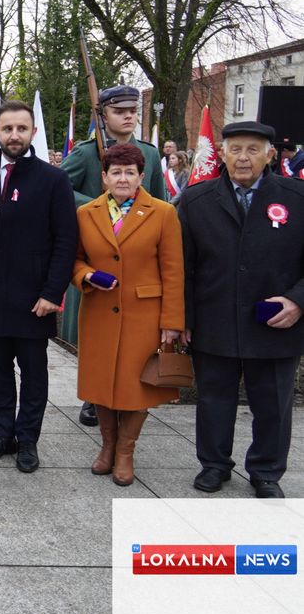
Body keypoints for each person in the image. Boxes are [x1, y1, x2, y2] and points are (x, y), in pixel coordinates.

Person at [179, 122, 304, 498]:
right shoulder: (197, 200)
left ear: (270, 154)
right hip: (214, 319)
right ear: (222, 153)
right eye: (235, 149)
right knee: (215, 399)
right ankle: (214, 465)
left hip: (277, 322)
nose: (243, 158)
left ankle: (266, 471)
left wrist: (299, 301)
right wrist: (183, 319)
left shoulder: (297, 197)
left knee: (273, 404)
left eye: (253, 150)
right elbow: (182, 267)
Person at [0, 102, 77, 472]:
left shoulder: (52, 179)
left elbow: (65, 241)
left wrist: (52, 293)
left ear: (32, 133)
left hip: (34, 299)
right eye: (7, 128)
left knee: (33, 373)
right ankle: (3, 434)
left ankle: (28, 439)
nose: (14, 135)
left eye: (22, 129)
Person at [73, 144, 184, 486]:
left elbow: (173, 270)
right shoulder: (86, 213)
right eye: (116, 172)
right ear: (104, 177)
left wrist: (172, 323)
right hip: (100, 313)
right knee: (102, 383)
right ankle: (106, 447)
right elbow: (74, 260)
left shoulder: (163, 212)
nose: (123, 178)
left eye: (130, 172)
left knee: (136, 387)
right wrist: (87, 276)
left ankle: (125, 452)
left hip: (144, 315)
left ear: (141, 176)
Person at [61, 85, 164, 426]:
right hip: (98, 255)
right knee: (97, 336)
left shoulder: (148, 154)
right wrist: (94, 207)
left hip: (137, 257)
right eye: (120, 111)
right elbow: (60, 188)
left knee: (134, 335)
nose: (129, 116)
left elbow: (160, 203)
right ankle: (94, 396)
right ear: (103, 114)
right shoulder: (88, 153)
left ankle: (129, 394)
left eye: (133, 110)